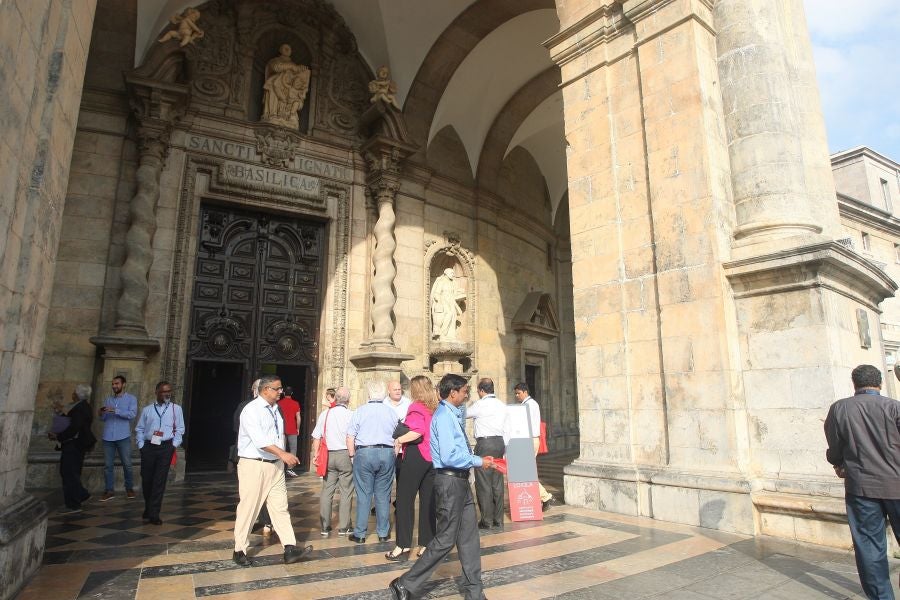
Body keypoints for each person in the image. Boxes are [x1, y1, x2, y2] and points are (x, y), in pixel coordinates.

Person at [389, 374, 495, 600]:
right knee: (446, 539)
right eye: (465, 391)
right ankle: (405, 583)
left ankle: (475, 593)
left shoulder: (453, 413)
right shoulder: (444, 417)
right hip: (449, 481)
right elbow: (449, 456)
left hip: (460, 481)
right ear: (453, 393)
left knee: (469, 538)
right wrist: (478, 461)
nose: (468, 394)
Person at [825, 364, 900, 600]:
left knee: (869, 548)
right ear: (880, 383)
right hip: (897, 484)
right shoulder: (894, 408)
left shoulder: (840, 408)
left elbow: (835, 447)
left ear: (854, 384)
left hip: (861, 487)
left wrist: (839, 464)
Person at [233, 374, 313, 566]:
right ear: (265, 389)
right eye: (277, 389)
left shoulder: (276, 409)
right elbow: (260, 441)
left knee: (280, 507)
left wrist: (281, 458)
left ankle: (290, 547)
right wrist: (284, 454)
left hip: (275, 465)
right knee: (249, 508)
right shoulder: (251, 410)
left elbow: (277, 435)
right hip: (255, 464)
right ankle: (239, 550)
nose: (280, 392)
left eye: (280, 388)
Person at [386, 375, 439, 562]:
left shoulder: (415, 407)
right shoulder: (435, 408)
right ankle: (426, 543)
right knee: (427, 502)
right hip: (432, 457)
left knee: (404, 500)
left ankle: (403, 546)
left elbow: (418, 431)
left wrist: (399, 440)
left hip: (416, 455)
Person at [346, 380, 397, 543]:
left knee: (364, 494)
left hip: (365, 452)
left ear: (368, 395)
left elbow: (350, 436)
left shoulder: (360, 411)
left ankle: (360, 533)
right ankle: (383, 532)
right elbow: (398, 437)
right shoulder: (391, 412)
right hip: (387, 452)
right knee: (383, 494)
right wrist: (393, 453)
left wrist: (352, 456)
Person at [135, 381, 185, 525]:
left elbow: (180, 429)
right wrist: (141, 445)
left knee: (159, 480)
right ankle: (148, 507)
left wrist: (173, 445)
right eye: (164, 391)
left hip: (166, 447)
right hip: (149, 447)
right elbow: (139, 429)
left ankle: (154, 513)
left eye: (169, 391)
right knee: (147, 479)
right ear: (156, 392)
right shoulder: (148, 410)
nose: (167, 393)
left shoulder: (176, 409)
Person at [311, 386, 355, 536]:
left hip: (328, 455)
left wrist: (315, 454)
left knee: (327, 490)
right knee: (346, 490)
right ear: (348, 400)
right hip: (345, 454)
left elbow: (316, 436)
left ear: (335, 398)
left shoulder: (325, 414)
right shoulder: (351, 415)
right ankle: (344, 527)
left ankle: (325, 526)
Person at [466, 377, 508, 529]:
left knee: (484, 483)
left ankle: (487, 520)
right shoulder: (502, 405)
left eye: (478, 391)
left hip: (485, 444)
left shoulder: (480, 404)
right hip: (499, 443)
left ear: (482, 390)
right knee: (497, 482)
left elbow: (464, 414)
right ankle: (498, 519)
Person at [233, 379, 272, 535]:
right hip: (252, 457)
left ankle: (288, 544)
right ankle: (243, 538)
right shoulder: (247, 407)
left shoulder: (274, 408)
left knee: (268, 495)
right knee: (250, 497)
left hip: (269, 458)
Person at [50, 384, 96, 514]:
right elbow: (72, 422)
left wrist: (58, 436)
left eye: (74, 392)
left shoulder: (80, 408)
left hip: (74, 445)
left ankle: (73, 504)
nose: (72, 394)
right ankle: (81, 495)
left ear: (77, 394)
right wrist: (60, 413)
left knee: (69, 473)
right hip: (75, 445)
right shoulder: (81, 407)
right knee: (70, 473)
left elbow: (74, 428)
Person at [512, 382, 553, 511]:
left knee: (526, 472)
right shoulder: (527, 404)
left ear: (525, 392)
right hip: (529, 439)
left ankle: (546, 497)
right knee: (526, 472)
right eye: (516, 393)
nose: (517, 396)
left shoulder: (529, 405)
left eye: (518, 393)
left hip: (529, 440)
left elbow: (523, 424)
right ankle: (544, 497)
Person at [98, 375, 138, 501]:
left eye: (117, 384)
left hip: (123, 436)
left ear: (123, 384)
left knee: (127, 464)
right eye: (113, 384)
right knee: (108, 466)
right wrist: (101, 414)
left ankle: (129, 488)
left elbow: (132, 415)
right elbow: (104, 418)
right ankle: (109, 490)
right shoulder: (108, 399)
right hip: (108, 437)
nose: (114, 386)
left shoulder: (131, 399)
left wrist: (116, 410)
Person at [430, 268, 463, 340]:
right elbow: (437, 293)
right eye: (451, 273)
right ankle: (442, 334)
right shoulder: (441, 281)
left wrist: (460, 292)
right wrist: (438, 301)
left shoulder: (452, 282)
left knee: (452, 316)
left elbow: (454, 292)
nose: (453, 274)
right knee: (448, 314)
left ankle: (449, 335)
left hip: (451, 302)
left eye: (453, 273)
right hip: (443, 301)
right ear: (447, 273)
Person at [278, 386, 301, 478]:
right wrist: (298, 428)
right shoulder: (295, 403)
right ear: (291, 393)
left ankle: (280, 468)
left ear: (283, 393)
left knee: (281, 449)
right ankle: (290, 469)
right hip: (292, 429)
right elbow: (298, 417)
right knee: (293, 449)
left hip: (281, 430)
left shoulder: (279, 403)